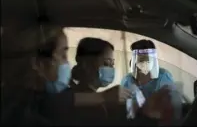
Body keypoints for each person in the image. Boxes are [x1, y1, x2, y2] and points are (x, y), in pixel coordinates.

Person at [1, 27, 131, 126]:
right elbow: (49, 103)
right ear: (38, 63)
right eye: (63, 55)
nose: (67, 63)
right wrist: (102, 97)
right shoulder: (21, 108)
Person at [69, 37, 132, 125]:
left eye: (112, 64)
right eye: (106, 63)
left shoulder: (78, 93)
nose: (111, 69)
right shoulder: (79, 101)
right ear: (86, 64)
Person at [121, 39, 182, 125]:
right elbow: (123, 109)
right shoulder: (128, 80)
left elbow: (170, 110)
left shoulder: (163, 76)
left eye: (147, 59)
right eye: (139, 58)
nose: (143, 63)